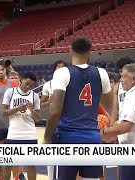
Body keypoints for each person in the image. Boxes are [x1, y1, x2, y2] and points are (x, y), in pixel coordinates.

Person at [43, 37, 113, 180]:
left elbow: (55, 112)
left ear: (70, 51)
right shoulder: (102, 73)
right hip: (92, 137)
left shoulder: (62, 72)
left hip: (67, 138)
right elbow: (108, 104)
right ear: (90, 53)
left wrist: (46, 137)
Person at [2, 72, 41, 180]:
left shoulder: (35, 96)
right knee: (8, 164)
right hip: (13, 134)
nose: (28, 87)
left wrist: (32, 110)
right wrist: (17, 108)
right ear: (21, 80)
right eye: (27, 84)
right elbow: (4, 112)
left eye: (31, 85)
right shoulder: (10, 92)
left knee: (32, 165)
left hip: (30, 135)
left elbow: (37, 118)